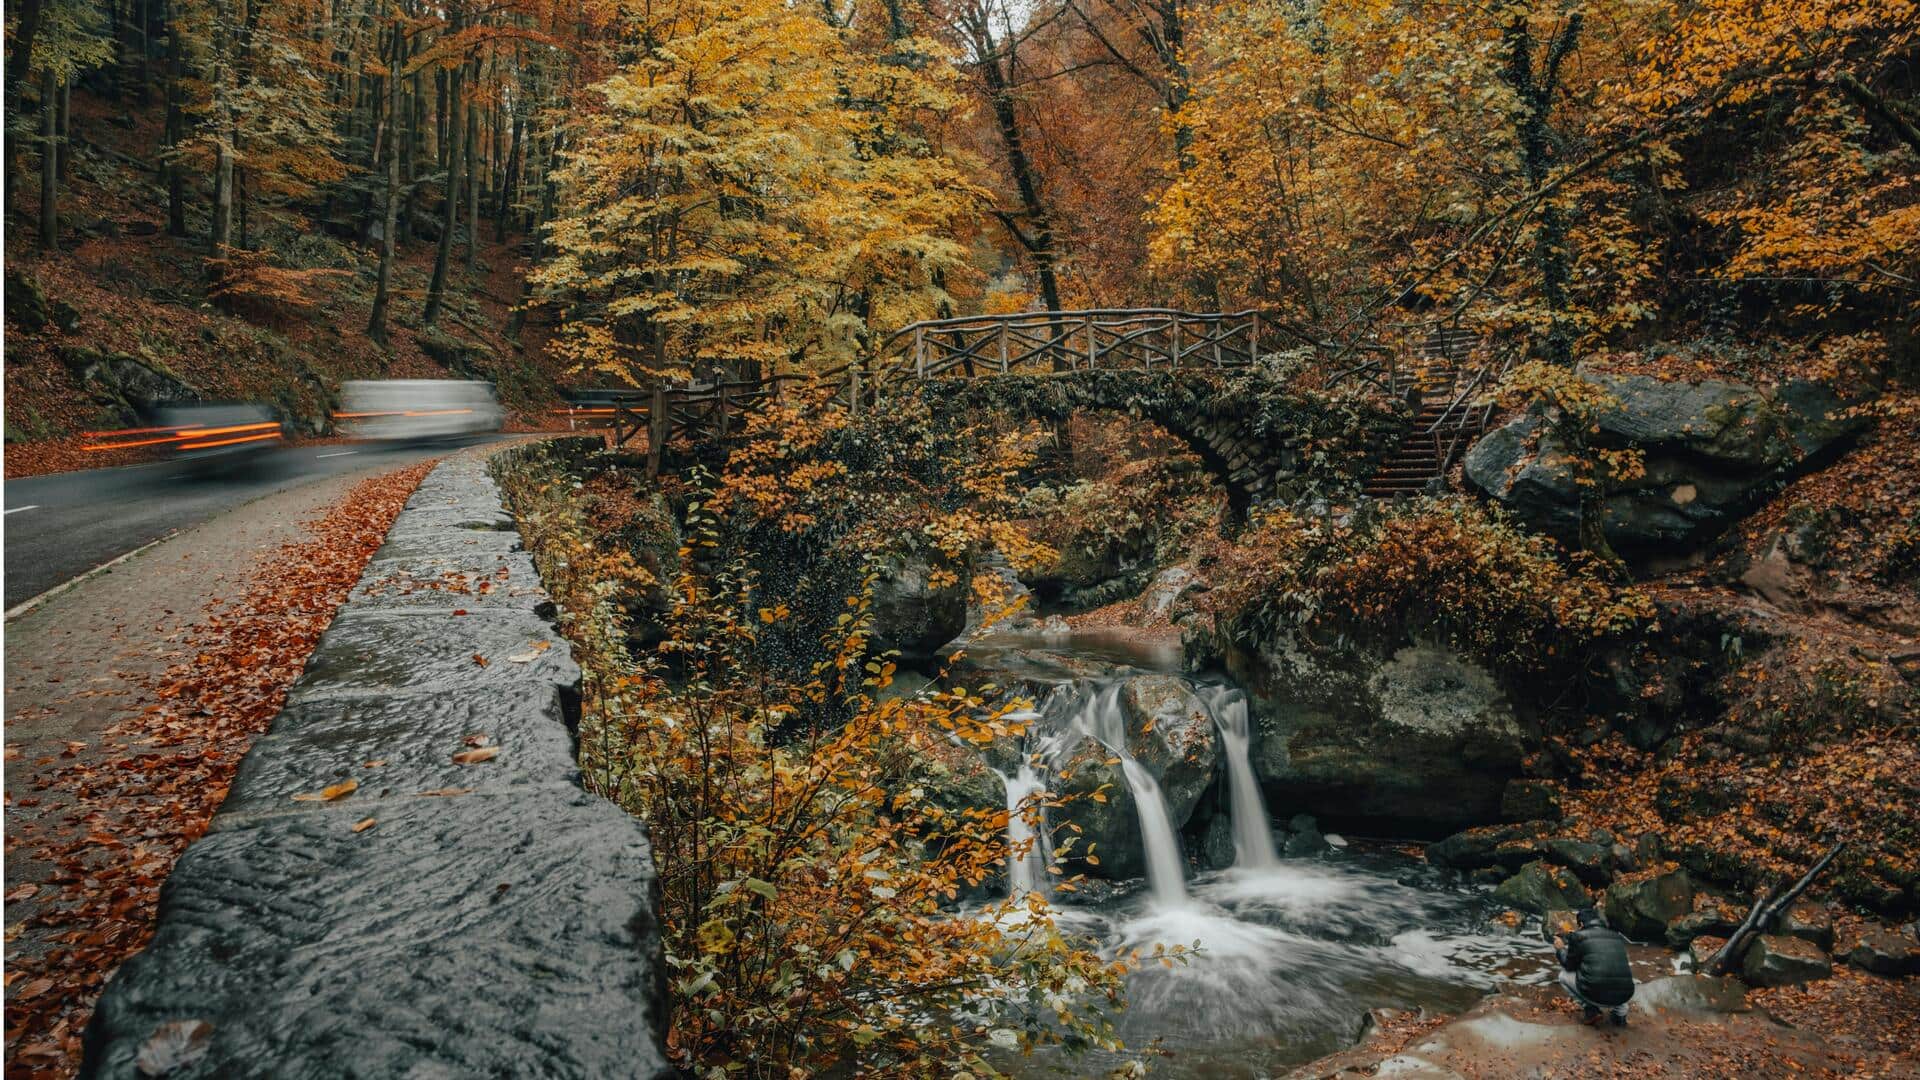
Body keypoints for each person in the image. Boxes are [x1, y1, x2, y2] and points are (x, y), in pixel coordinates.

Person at [1554, 908, 1634, 1026]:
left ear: (1581, 924)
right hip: (1624, 994)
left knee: (1563, 976)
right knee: (1616, 974)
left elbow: (1569, 966)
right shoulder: (1616, 936)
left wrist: (1560, 949)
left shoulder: (1578, 936)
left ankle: (1591, 1010)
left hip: (1597, 994)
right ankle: (1620, 1015)